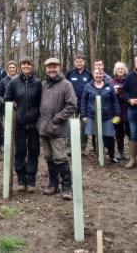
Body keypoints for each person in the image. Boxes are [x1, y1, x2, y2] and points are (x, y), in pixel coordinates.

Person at [39, 57, 77, 200]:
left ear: (59, 67)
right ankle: (53, 184)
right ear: (46, 69)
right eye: (49, 67)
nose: (52, 69)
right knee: (49, 157)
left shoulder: (66, 85)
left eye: (54, 66)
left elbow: (72, 106)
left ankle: (67, 187)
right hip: (43, 128)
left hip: (58, 129)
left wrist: (57, 118)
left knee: (60, 157)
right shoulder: (43, 85)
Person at [4, 56, 42, 191]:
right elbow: (7, 99)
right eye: (24, 64)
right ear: (20, 66)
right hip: (19, 124)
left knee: (33, 151)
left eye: (29, 64)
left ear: (32, 66)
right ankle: (21, 178)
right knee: (20, 151)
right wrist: (14, 106)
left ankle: (31, 180)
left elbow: (41, 102)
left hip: (34, 124)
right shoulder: (13, 83)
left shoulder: (38, 83)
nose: (26, 66)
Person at [81, 67, 121, 163]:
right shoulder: (88, 86)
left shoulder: (109, 86)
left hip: (107, 116)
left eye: (100, 74)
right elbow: (84, 101)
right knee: (96, 135)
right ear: (93, 75)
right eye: (96, 74)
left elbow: (114, 101)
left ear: (103, 75)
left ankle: (111, 156)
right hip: (92, 116)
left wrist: (117, 114)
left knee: (109, 136)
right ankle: (99, 155)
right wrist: (84, 115)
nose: (98, 75)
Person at [66, 55, 92, 150]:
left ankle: (82, 147)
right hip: (72, 103)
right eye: (77, 62)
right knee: (70, 125)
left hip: (85, 104)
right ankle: (69, 146)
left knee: (84, 125)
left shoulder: (89, 74)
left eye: (81, 61)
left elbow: (92, 87)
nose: (79, 63)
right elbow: (65, 87)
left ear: (84, 62)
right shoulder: (69, 74)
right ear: (74, 63)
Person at [110, 62, 130, 162]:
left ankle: (132, 154)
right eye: (118, 69)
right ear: (115, 71)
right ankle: (120, 152)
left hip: (129, 111)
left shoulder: (129, 80)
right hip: (116, 112)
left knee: (131, 132)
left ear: (125, 70)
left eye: (122, 69)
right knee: (118, 132)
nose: (120, 70)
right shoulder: (111, 82)